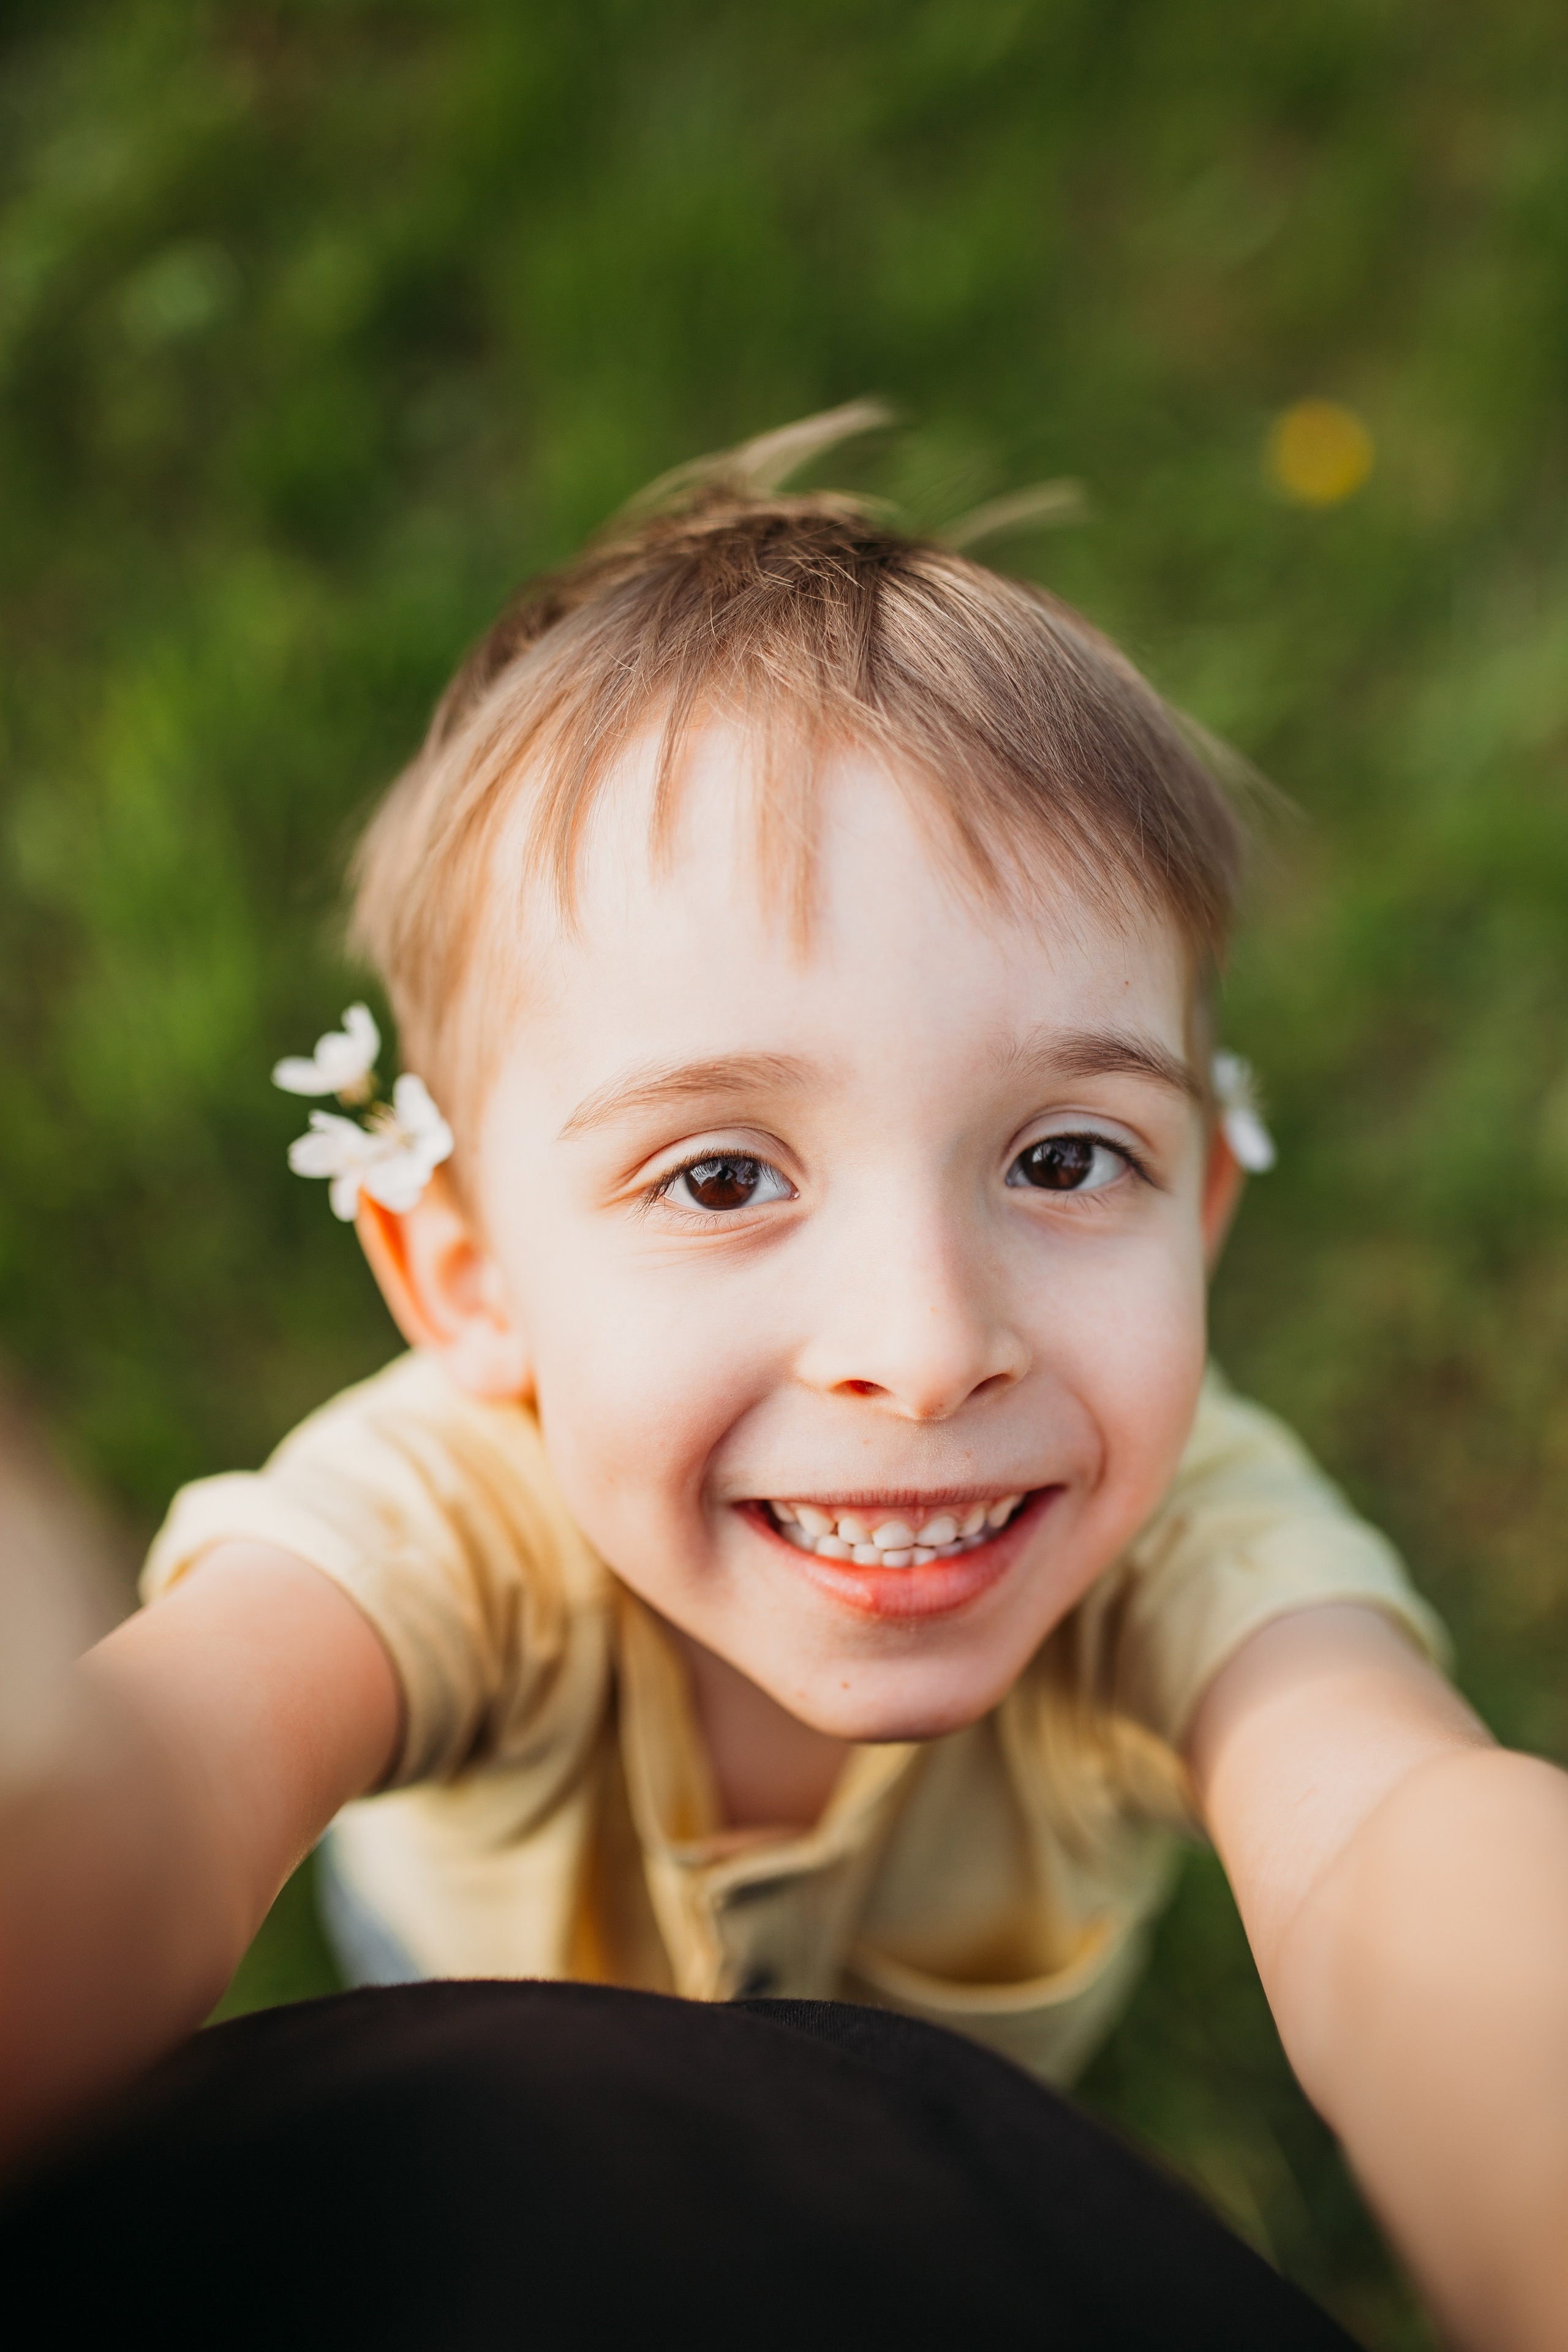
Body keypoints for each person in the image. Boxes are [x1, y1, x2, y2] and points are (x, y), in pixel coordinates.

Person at [1, 407, 1565, 2346]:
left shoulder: (1191, 1536)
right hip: (502, 2021)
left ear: (1209, 1211)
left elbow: (1388, 1841)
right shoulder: (441, 1522)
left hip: (954, 2144)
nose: (924, 1351)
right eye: (723, 1176)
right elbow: (171, 1781)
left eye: (1066, 1158)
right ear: (467, 1278)